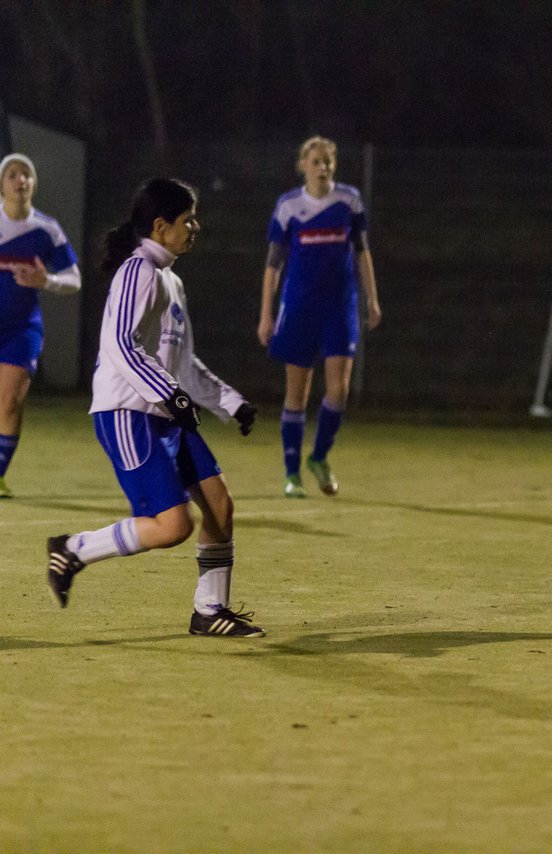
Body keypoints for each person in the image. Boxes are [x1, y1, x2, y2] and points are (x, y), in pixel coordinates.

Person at [46, 177, 264, 637]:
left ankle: (209, 611)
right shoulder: (137, 270)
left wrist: (231, 403)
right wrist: (172, 394)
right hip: (126, 413)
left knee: (220, 507)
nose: (195, 227)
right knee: (171, 526)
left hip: (164, 412)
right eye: (188, 220)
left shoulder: (171, 280)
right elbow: (120, 345)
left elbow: (181, 362)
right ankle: (74, 549)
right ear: (161, 226)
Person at [258, 136, 382, 498]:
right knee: (297, 391)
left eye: (327, 161)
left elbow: (362, 253)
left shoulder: (349, 201)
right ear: (303, 166)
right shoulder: (289, 207)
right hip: (298, 307)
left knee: (339, 390)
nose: (322, 167)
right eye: (315, 161)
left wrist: (372, 300)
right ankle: (292, 473)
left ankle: (320, 457)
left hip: (339, 306)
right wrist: (266, 315)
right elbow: (273, 265)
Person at [0, 153, 82, 498]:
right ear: (2, 185)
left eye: (26, 175)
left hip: (22, 329)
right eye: (13, 175)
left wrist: (46, 281)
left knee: (9, 402)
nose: (21, 180)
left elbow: (74, 279)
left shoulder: (47, 229)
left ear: (33, 183)